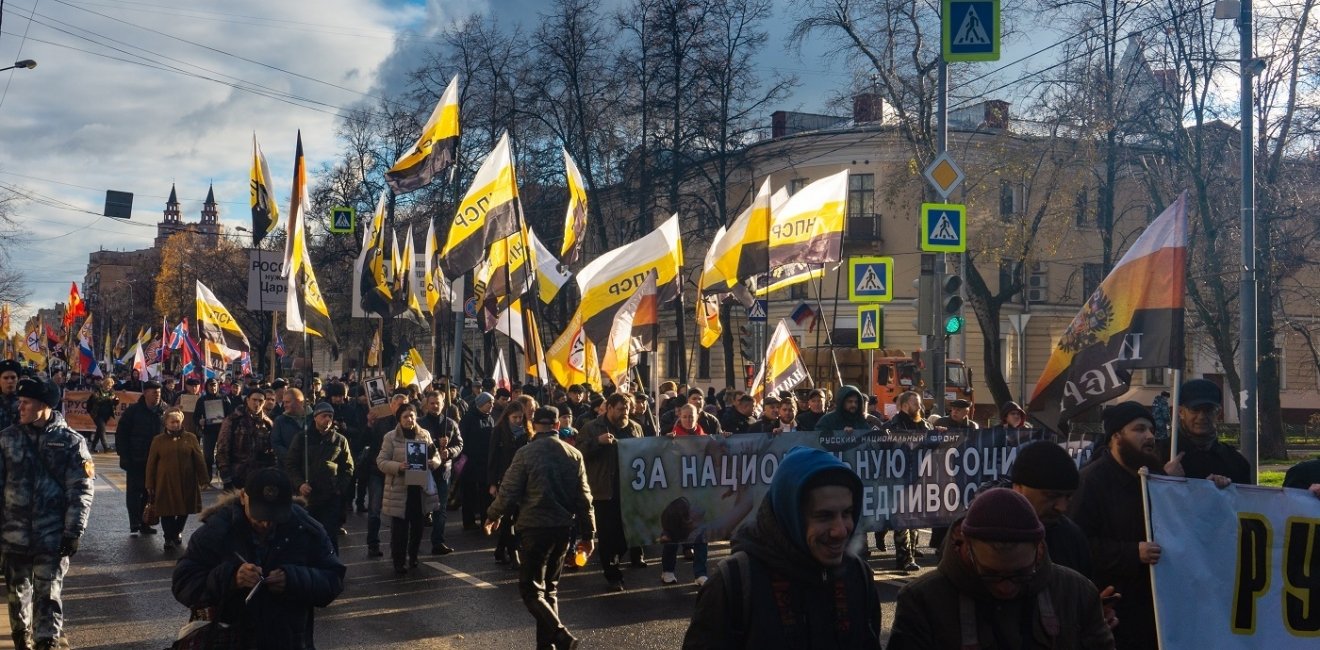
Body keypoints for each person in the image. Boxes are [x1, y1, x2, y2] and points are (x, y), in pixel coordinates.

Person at [682, 447, 883, 649]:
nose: (840, 530)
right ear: (789, 515)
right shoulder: (734, 583)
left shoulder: (858, 575)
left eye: (847, 513)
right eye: (824, 516)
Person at [1069, 401, 1229, 649]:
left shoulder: (1157, 479)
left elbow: (1186, 526)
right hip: (1116, 610)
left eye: (1152, 430)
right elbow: (1077, 546)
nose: (1150, 437)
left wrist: (1208, 492)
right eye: (1140, 429)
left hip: (1161, 608)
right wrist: (1133, 553)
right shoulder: (1091, 482)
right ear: (1116, 436)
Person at [888, 488, 1114, 649]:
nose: (1006, 588)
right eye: (990, 574)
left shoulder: (1077, 593)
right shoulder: (922, 601)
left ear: (1039, 550)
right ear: (966, 547)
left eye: (1020, 574)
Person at [172, 467, 346, 649]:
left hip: (288, 641)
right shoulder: (216, 531)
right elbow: (183, 582)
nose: (266, 523)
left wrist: (294, 578)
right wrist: (231, 578)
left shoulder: (307, 530)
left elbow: (333, 579)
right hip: (230, 640)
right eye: (259, 514)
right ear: (242, 498)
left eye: (275, 516)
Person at [486, 406, 596, 650]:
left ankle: (560, 635)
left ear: (534, 425)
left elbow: (509, 491)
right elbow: (584, 498)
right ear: (557, 425)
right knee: (550, 589)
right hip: (562, 528)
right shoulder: (573, 454)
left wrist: (492, 515)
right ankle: (546, 646)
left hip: (534, 527)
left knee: (530, 589)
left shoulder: (525, 453)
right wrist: (589, 535)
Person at [0, 378, 94, 650]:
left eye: (26, 402)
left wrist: (73, 532)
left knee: (48, 595)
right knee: (17, 596)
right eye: (20, 401)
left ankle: (46, 643)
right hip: (14, 535)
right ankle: (22, 639)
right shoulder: (7, 439)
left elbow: (81, 491)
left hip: (51, 537)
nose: (20, 407)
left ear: (43, 406)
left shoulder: (71, 443)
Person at [577, 392, 643, 591]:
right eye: (621, 409)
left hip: (628, 490)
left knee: (626, 534)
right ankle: (612, 573)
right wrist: (598, 442)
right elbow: (579, 452)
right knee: (607, 534)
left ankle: (616, 558)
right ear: (610, 408)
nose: (625, 413)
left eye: (628, 409)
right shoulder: (592, 428)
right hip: (603, 490)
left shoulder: (635, 428)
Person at [377, 402, 442, 575]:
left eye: (412, 415)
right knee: (400, 529)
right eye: (405, 416)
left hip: (419, 489)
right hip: (399, 489)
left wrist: (432, 463)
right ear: (399, 418)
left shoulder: (424, 435)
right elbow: (381, 462)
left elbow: (435, 455)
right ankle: (399, 561)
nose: (409, 419)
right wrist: (399, 466)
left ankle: (413, 556)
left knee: (418, 527)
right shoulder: (390, 437)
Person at [286, 403, 355, 555]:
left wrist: (339, 488)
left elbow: (348, 467)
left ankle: (332, 568)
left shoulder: (339, 440)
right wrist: (300, 484)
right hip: (308, 495)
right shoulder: (302, 438)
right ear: (316, 417)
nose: (328, 419)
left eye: (330, 416)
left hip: (330, 495)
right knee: (307, 533)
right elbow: (291, 464)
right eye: (324, 416)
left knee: (329, 535)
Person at [1158, 378, 1252, 484]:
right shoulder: (1161, 454)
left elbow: (1245, 498)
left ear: (1218, 413)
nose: (1201, 416)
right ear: (1181, 412)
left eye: (1208, 410)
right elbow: (1142, 496)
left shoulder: (1235, 461)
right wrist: (1164, 477)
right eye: (1195, 409)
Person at [145, 407, 209, 550]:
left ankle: (177, 532)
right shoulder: (158, 440)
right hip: (165, 481)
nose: (175, 424)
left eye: (178, 422)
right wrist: (149, 483)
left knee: (184, 510)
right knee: (166, 511)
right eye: (172, 422)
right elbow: (151, 463)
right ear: (165, 423)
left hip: (187, 481)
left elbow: (199, 460)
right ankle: (168, 538)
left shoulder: (191, 438)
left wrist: (204, 479)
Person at [661, 405, 711, 586]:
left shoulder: (705, 438)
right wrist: (665, 443)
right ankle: (667, 570)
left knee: (700, 533)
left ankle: (700, 573)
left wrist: (725, 439)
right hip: (677, 493)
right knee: (673, 532)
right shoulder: (671, 438)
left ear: (697, 418)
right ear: (679, 417)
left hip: (699, 493)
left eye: (692, 417)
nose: (689, 420)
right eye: (685, 416)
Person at [116, 379, 165, 535]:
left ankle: (145, 522)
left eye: (159, 392)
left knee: (150, 493)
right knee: (134, 492)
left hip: (157, 460)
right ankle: (134, 522)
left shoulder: (165, 411)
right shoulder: (133, 411)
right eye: (153, 392)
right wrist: (123, 455)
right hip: (136, 459)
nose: (157, 395)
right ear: (145, 393)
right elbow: (122, 434)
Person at [418, 390, 462, 555]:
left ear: (443, 404)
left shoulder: (450, 424)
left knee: (441, 508)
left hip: (443, 470)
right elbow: (415, 444)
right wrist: (436, 443)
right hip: (425, 470)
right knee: (420, 507)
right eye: (432, 403)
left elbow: (459, 444)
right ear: (427, 405)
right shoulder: (419, 423)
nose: (435, 406)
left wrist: (449, 451)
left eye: (438, 403)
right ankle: (414, 541)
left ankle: (438, 541)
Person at [489, 402, 532, 567]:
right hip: (505, 479)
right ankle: (514, 554)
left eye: (520, 417)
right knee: (507, 518)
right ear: (507, 417)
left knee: (516, 517)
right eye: (514, 417)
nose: (518, 421)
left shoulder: (528, 432)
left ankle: (500, 550)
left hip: (523, 480)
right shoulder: (499, 431)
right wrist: (492, 482)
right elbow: (492, 458)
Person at [215, 389, 276, 491]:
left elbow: (272, 451)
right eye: (254, 400)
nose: (257, 403)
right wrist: (226, 477)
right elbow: (222, 449)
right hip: (238, 474)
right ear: (247, 400)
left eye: (260, 401)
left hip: (261, 475)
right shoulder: (233, 420)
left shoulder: (268, 423)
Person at [460, 392, 497, 531]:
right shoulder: (468, 418)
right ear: (481, 404)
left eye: (492, 403)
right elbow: (462, 438)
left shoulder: (490, 419)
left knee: (485, 493)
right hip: (470, 462)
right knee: (469, 492)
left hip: (485, 462)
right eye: (489, 403)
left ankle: (484, 520)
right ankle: (468, 521)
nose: (491, 406)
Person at [193, 378, 232, 482]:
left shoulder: (224, 399)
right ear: (207, 387)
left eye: (214, 385)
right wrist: (200, 421)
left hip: (222, 432)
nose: (213, 387)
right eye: (211, 385)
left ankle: (225, 479)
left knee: (223, 456)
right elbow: (195, 417)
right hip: (208, 432)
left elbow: (231, 415)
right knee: (208, 457)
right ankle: (208, 479)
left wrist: (226, 421)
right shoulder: (202, 400)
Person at [271, 387, 307, 464]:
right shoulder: (280, 421)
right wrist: (291, 457)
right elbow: (276, 443)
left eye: (287, 402)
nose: (284, 405)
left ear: (299, 402)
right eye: (284, 402)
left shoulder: (313, 419)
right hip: (287, 467)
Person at [83, 376, 118, 453]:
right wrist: (108, 398)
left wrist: (115, 400)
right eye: (109, 385)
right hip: (97, 413)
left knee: (99, 430)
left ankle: (93, 446)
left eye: (111, 386)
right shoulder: (97, 390)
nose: (109, 387)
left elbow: (114, 402)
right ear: (105, 384)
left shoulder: (111, 391)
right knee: (102, 429)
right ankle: (106, 447)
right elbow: (97, 400)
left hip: (106, 414)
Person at [0, 359, 22, 431]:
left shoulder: (24, 401)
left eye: (13, 377)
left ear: (18, 379)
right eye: (5, 378)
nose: (10, 381)